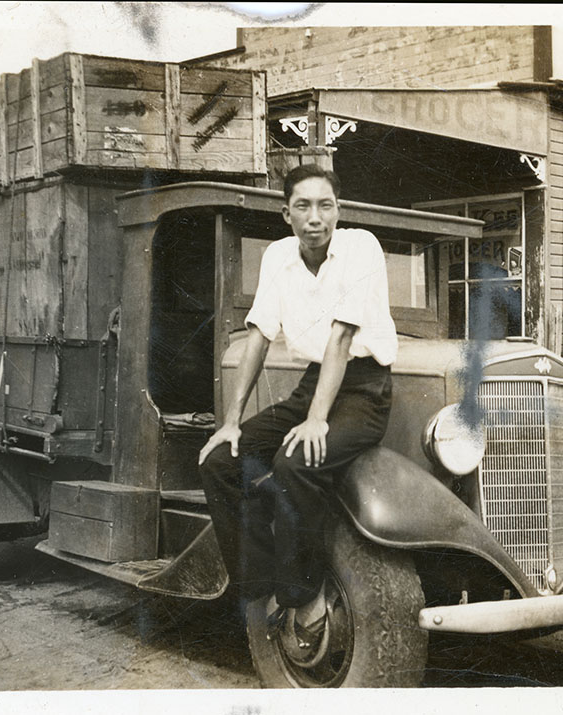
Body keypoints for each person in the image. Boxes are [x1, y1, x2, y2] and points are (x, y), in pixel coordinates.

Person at [197, 163, 397, 648]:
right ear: (286, 214)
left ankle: (303, 594)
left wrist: (316, 420)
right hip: (316, 385)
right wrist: (230, 422)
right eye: (303, 207)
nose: (315, 218)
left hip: (365, 388)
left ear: (338, 210)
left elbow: (342, 338)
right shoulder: (278, 257)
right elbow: (260, 334)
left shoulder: (361, 248)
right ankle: (258, 591)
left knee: (297, 460)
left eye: (325, 205)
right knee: (221, 462)